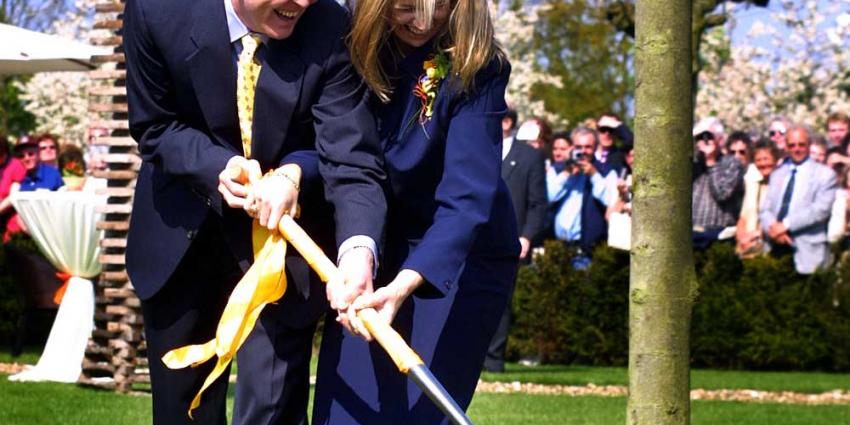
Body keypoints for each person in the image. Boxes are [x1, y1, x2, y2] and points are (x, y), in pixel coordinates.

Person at [123, 0, 387, 424]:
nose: (302, 2)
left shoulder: (332, 27)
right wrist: (216, 167)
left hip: (283, 249)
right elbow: (155, 125)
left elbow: (347, 152)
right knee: (183, 412)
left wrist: (356, 247)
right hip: (182, 236)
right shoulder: (156, 10)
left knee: (273, 408)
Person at [313, 0, 519, 422]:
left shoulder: (479, 68)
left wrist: (404, 285)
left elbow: (466, 199)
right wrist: (292, 173)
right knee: (349, 412)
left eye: (440, 5)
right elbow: (335, 145)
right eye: (406, 7)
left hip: (457, 256)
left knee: (419, 412)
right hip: (373, 242)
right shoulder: (344, 48)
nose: (423, 22)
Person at [483, 108, 547, 373]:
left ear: (507, 122)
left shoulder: (530, 157)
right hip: (476, 238)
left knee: (501, 300)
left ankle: (493, 360)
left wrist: (527, 236)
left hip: (512, 240)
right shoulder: (480, 149)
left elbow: (538, 203)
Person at [760, 127, 837, 274]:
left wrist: (786, 225)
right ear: (786, 147)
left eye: (801, 145)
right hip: (774, 247)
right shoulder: (777, 174)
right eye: (792, 145)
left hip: (808, 252)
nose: (797, 149)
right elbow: (765, 210)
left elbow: (820, 211)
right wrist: (774, 229)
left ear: (808, 145)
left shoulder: (825, 175)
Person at [546, 127, 617, 268]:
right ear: (571, 147)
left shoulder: (606, 171)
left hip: (586, 250)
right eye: (578, 147)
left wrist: (594, 175)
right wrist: (567, 173)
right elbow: (548, 197)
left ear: (595, 147)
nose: (583, 151)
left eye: (588, 147)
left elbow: (611, 201)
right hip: (557, 246)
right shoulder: (558, 169)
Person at [691, 117, 743, 249]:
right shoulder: (694, 166)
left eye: (708, 136)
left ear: (720, 139)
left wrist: (711, 161)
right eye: (700, 137)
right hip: (692, 234)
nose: (705, 140)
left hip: (717, 236)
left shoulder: (731, 163)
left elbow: (722, 194)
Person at [3, 138, 64, 242]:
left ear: (38, 154)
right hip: (19, 233)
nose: (26, 158)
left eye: (31, 154)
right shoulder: (13, 176)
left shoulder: (52, 174)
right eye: (21, 156)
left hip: (50, 231)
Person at [735, 140, 779, 258]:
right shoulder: (753, 185)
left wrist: (753, 237)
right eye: (758, 160)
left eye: (766, 159)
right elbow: (743, 217)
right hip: (745, 248)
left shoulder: (780, 187)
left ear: (775, 160)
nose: (762, 164)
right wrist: (741, 238)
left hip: (768, 249)